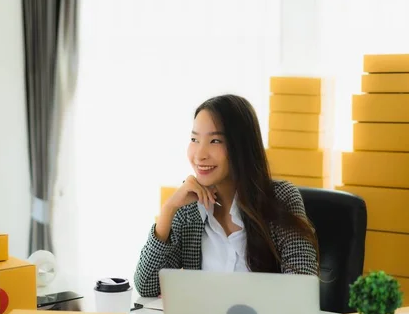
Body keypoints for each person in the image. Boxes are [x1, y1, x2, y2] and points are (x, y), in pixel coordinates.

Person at [134, 94, 319, 297]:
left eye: (215, 141)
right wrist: (168, 210)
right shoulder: (188, 207)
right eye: (194, 139)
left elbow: (301, 291)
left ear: (241, 146)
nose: (199, 154)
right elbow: (147, 286)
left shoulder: (281, 197)